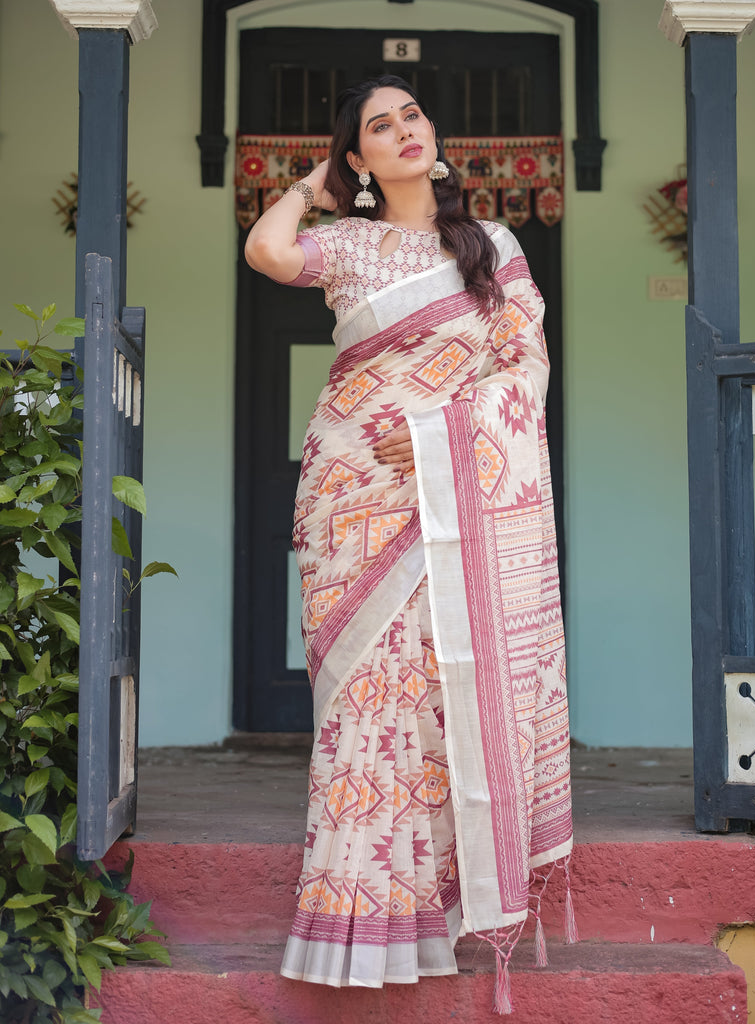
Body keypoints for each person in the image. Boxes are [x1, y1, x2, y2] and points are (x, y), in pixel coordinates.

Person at [245, 75, 574, 1012]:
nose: (403, 134)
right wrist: (314, 184)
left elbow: (525, 370)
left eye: (413, 117)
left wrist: (435, 432)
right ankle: (352, 917)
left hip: (449, 489)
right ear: (359, 158)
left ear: (435, 131)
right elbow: (267, 251)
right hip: (353, 496)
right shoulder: (345, 243)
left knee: (436, 691)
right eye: (378, 129)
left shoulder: (493, 247)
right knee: (364, 699)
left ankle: (423, 913)